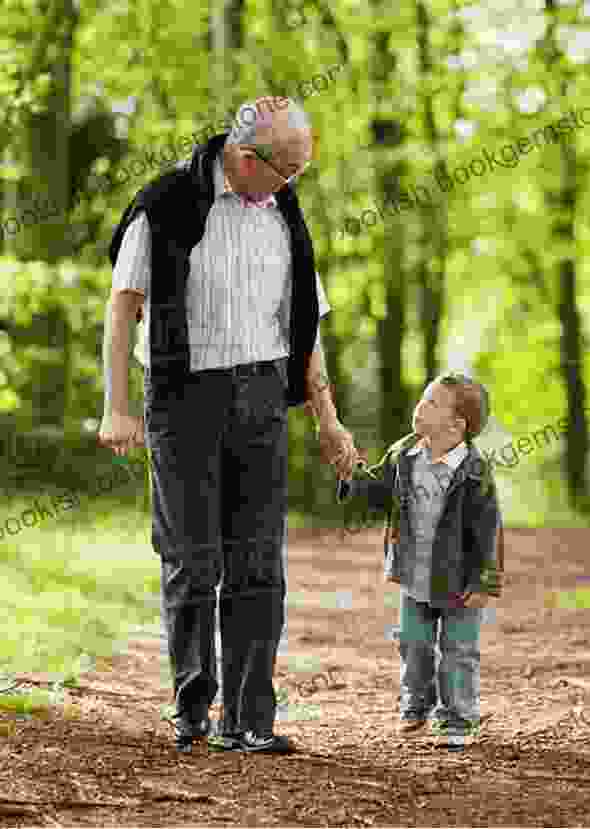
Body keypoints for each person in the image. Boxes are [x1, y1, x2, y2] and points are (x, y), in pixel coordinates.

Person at [98, 95, 359, 754]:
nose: (295, 183)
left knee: (259, 562)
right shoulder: (164, 206)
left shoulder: (286, 216)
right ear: (247, 158)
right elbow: (121, 309)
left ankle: (250, 719)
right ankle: (193, 710)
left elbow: (307, 331)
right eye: (288, 170)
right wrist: (116, 405)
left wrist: (329, 420)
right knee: (192, 560)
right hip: (183, 396)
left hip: (263, 395)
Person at [337, 373, 504, 750]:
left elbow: (488, 529)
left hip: (460, 581)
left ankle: (458, 717)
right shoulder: (404, 454)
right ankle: (417, 701)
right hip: (415, 574)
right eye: (422, 399)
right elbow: (379, 493)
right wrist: (353, 476)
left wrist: (484, 581)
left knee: (459, 650)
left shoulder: (476, 471)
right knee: (414, 642)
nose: (419, 407)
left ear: (457, 424)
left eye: (431, 403)